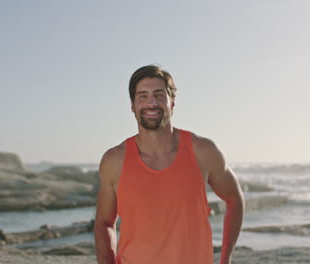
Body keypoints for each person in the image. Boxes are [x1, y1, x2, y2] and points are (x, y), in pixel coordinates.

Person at [94, 65, 244, 264]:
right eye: (143, 96)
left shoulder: (203, 151)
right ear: (132, 105)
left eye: (159, 95)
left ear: (172, 102)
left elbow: (234, 198)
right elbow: (104, 223)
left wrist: (226, 259)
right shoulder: (114, 160)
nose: (151, 103)